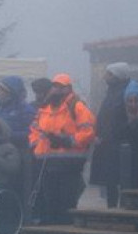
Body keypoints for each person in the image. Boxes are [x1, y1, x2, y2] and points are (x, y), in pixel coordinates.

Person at [29, 73, 95, 224]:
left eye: (61, 87)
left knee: (67, 202)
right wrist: (35, 145)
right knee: (50, 201)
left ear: (69, 88)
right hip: (46, 162)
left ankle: (65, 230)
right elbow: (34, 129)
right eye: (55, 86)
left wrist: (67, 141)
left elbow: (88, 132)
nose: (56, 90)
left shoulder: (77, 107)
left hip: (69, 163)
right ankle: (52, 231)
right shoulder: (44, 108)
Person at [90, 63, 133, 207]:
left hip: (118, 142)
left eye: (109, 74)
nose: (105, 77)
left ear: (117, 76)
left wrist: (114, 133)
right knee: (110, 179)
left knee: (121, 177)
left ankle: (124, 206)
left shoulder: (126, 92)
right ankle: (112, 206)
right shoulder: (111, 92)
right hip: (107, 142)